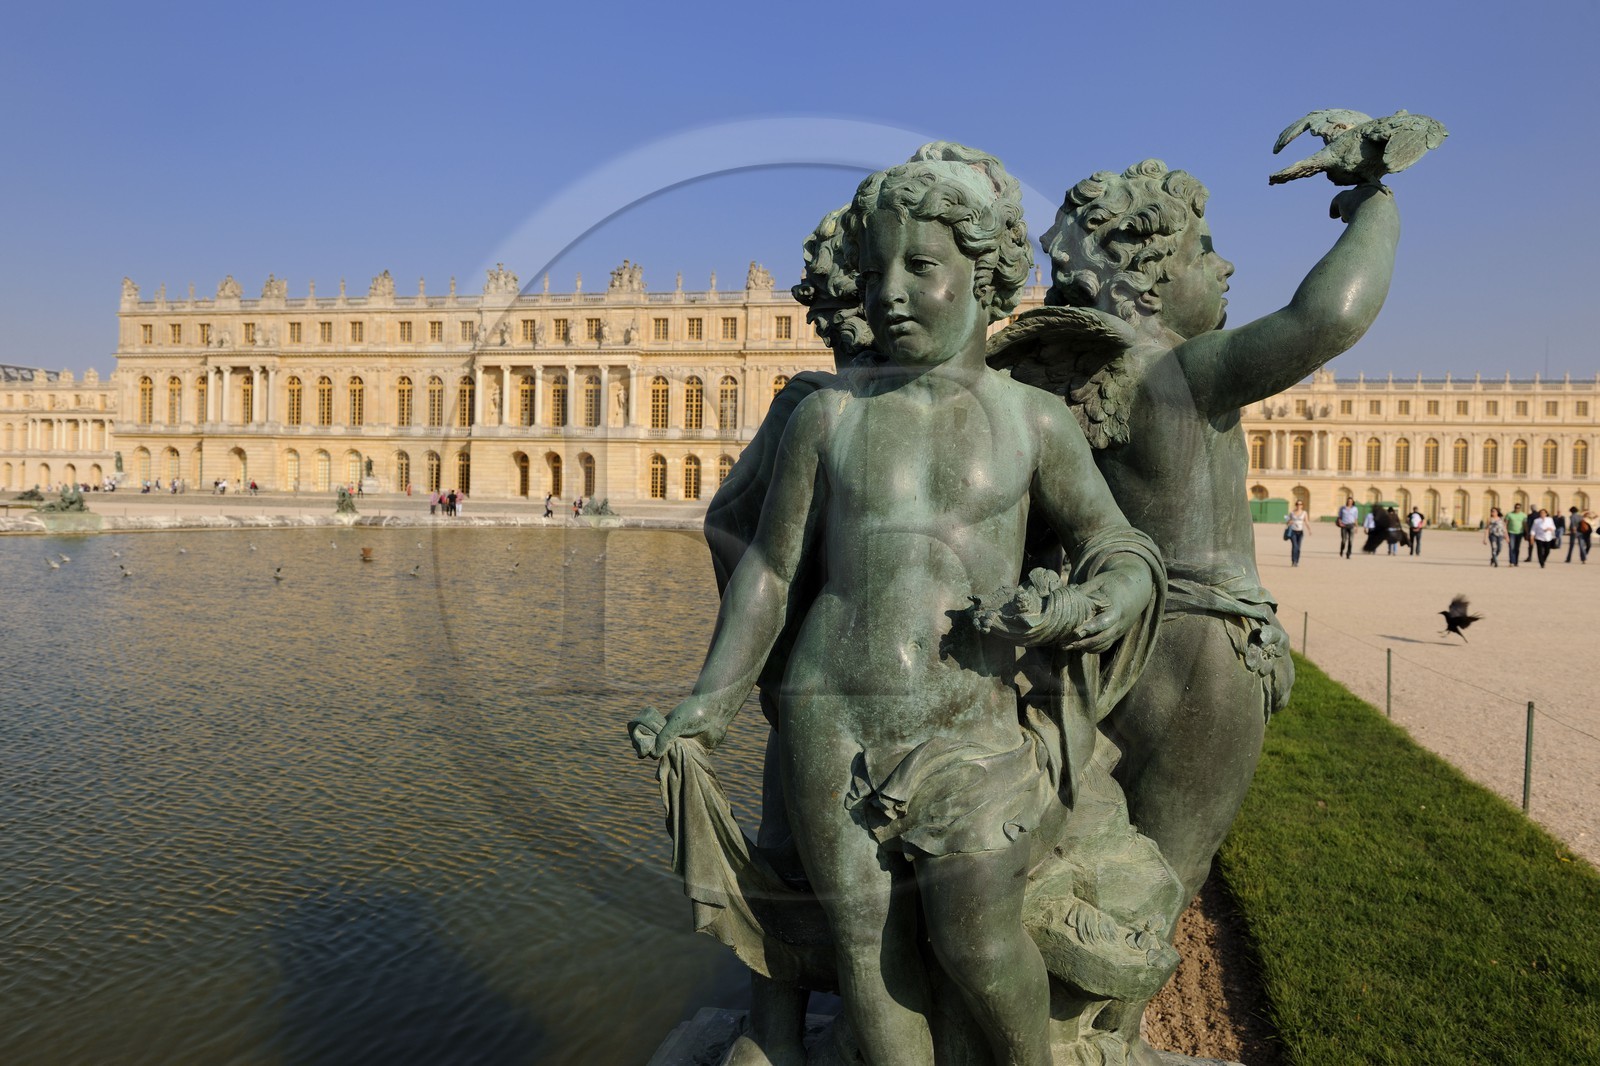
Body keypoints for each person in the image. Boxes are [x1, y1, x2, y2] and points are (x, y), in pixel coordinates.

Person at [640, 150, 1161, 1066]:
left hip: (973, 724)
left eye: (919, 268)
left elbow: (1115, 545)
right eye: (876, 270)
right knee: (869, 957)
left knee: (977, 940)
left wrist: (1087, 605)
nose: (888, 292)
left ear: (985, 273)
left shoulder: (1034, 421)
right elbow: (768, 566)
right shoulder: (827, 416)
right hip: (827, 714)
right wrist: (714, 700)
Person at [1286, 499, 1309, 566]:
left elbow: (1306, 521)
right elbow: (1287, 521)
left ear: (1302, 505)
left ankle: (1297, 561)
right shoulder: (1292, 513)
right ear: (1296, 505)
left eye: (1300, 504)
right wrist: (1289, 522)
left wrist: (1309, 530)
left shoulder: (1304, 513)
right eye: (1298, 504)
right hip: (1293, 531)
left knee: (1298, 548)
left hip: (1300, 532)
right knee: (1294, 546)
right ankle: (1293, 561)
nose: (1299, 505)